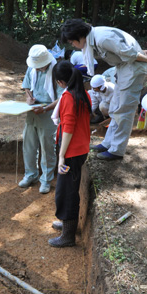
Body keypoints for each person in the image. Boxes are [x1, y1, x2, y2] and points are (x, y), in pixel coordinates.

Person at [61, 19, 147, 161]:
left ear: (79, 36)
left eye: (72, 41)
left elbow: (129, 53)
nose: (73, 45)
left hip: (133, 69)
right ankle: (108, 143)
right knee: (115, 108)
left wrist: (146, 58)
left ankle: (117, 150)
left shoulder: (102, 38)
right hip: (124, 69)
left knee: (124, 110)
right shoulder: (96, 37)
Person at [48, 61, 91, 247]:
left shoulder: (68, 98)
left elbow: (68, 129)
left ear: (60, 82)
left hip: (71, 152)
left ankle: (68, 236)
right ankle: (67, 225)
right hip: (80, 149)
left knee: (67, 192)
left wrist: (61, 156)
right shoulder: (84, 94)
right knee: (69, 188)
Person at [19, 44, 64, 194]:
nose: (37, 69)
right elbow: (26, 85)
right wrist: (28, 96)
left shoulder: (57, 71)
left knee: (47, 148)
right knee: (29, 145)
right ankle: (30, 174)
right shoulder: (32, 67)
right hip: (32, 111)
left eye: (39, 66)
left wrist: (45, 108)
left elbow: (63, 97)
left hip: (49, 113)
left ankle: (46, 179)